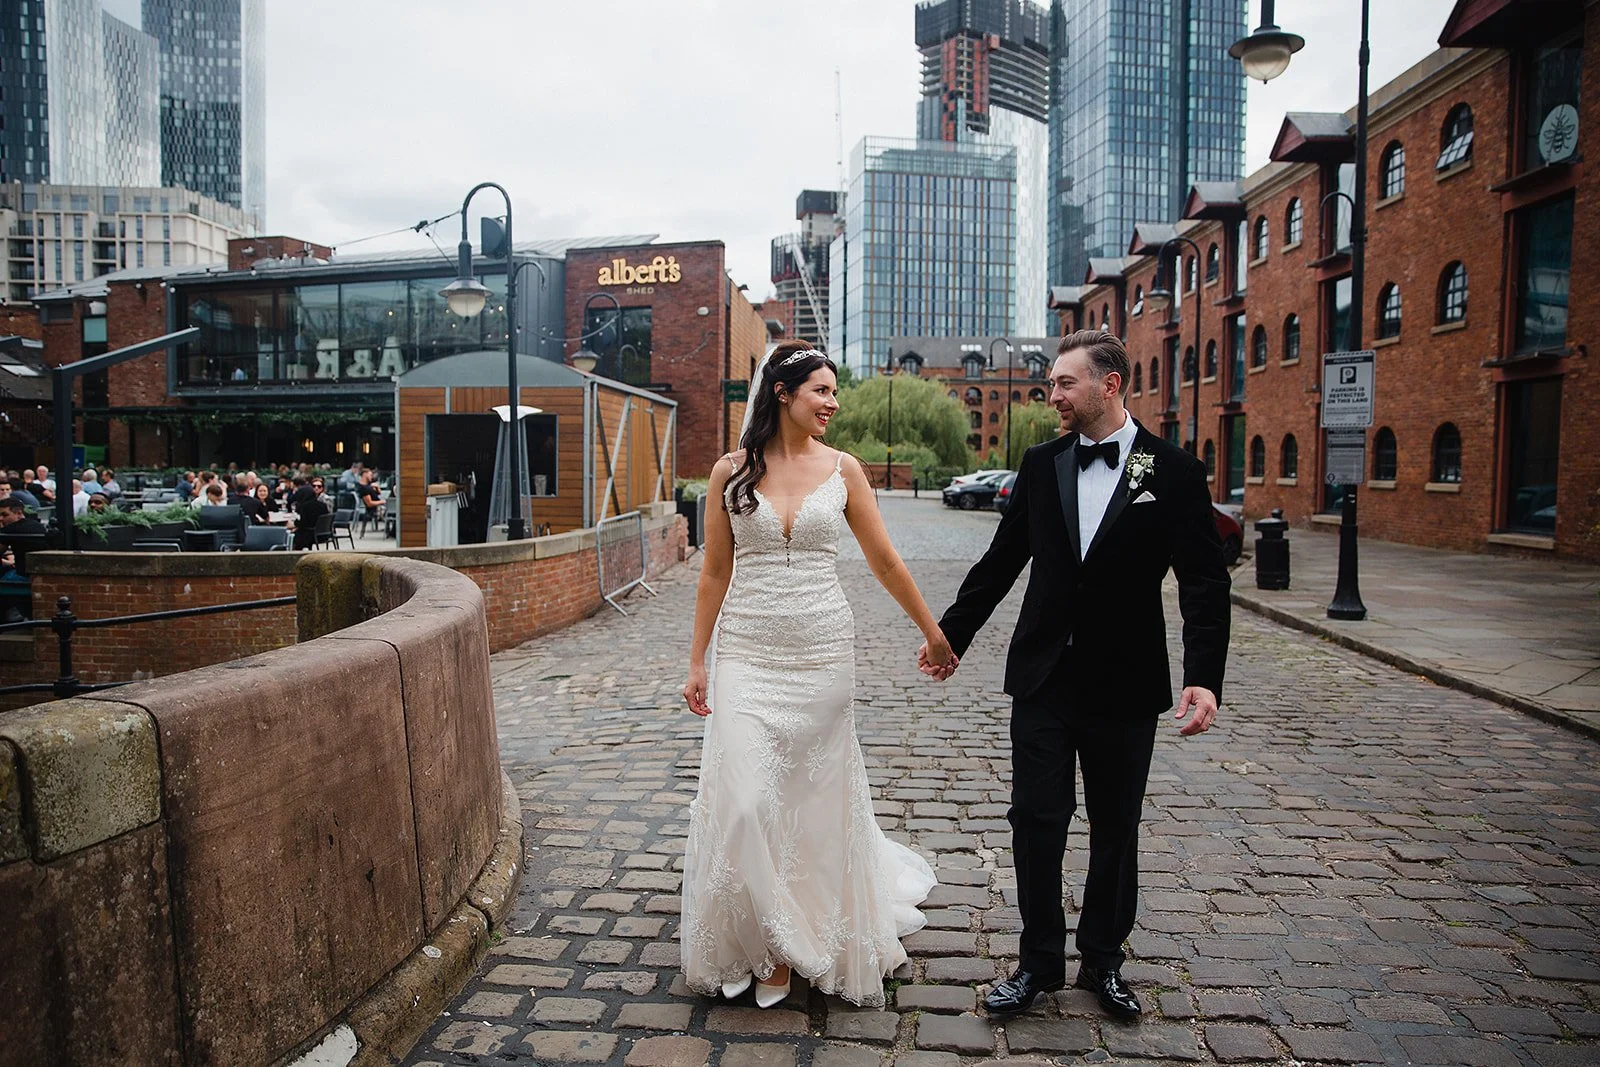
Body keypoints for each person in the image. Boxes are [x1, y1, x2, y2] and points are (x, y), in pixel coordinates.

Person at [922, 330, 1231, 1020]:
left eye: (1064, 383)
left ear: (1109, 384)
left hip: (1126, 682)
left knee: (1116, 825)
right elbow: (1002, 561)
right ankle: (1037, 963)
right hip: (1043, 676)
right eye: (1052, 382)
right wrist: (952, 636)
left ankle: (1103, 960)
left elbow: (1206, 582)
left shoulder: (1171, 470)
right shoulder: (1042, 463)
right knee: (1036, 819)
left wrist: (1205, 675)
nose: (1052, 394)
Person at [679, 340, 952, 1009]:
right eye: (821, 391)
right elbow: (715, 570)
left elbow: (885, 559)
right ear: (782, 392)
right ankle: (769, 940)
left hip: (823, 652)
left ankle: (798, 936)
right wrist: (696, 659)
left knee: (806, 802)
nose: (832, 402)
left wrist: (933, 629)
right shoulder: (728, 472)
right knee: (746, 803)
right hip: (747, 650)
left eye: (835, 392)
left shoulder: (845, 470)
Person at [291, 476, 327, 550]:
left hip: (309, 534)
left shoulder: (304, 506)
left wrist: (294, 525)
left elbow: (302, 523)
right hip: (323, 533)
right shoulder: (322, 505)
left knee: (291, 534)